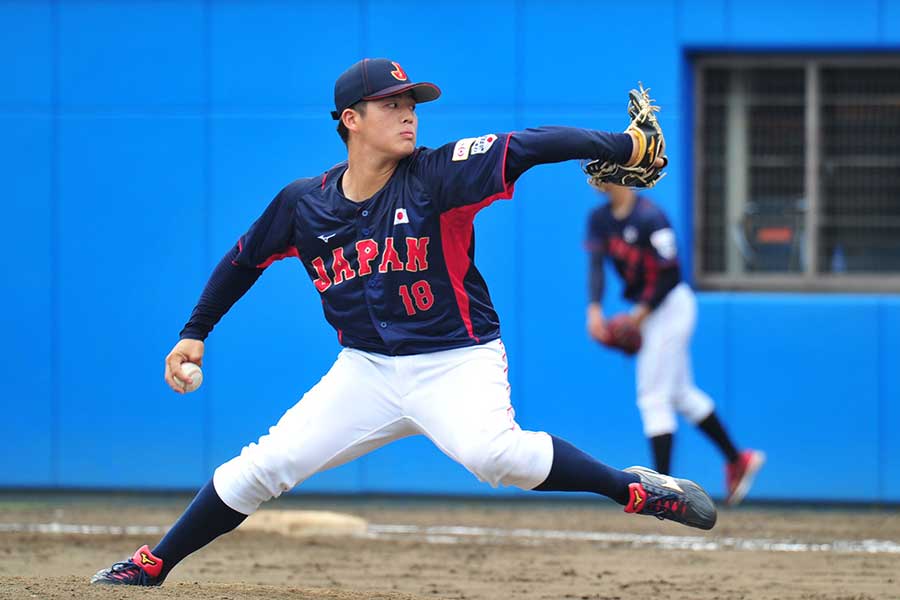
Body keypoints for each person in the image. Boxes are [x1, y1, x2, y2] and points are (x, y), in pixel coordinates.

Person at [91, 58, 716, 587]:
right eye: (389, 104)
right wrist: (194, 332)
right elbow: (242, 260)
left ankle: (633, 488)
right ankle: (152, 565)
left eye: (411, 101)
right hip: (364, 371)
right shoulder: (303, 204)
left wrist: (623, 145)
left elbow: (527, 145)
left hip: (457, 360)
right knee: (262, 466)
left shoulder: (437, 175)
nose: (408, 112)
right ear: (350, 120)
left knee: (497, 459)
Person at [584, 182, 765, 505]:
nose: (594, 177)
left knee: (653, 397)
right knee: (680, 394)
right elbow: (596, 266)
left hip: (669, 307)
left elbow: (670, 275)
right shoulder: (600, 218)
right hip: (648, 310)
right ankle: (738, 459)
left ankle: (663, 492)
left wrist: (638, 316)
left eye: (602, 169)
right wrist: (595, 309)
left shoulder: (651, 217)